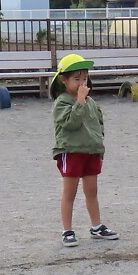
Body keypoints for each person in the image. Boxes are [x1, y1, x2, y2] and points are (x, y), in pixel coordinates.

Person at [51, 53, 117, 246]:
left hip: (91, 151)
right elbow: (71, 123)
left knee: (92, 191)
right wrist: (79, 102)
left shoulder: (92, 102)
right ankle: (67, 231)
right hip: (71, 151)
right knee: (69, 193)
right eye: (76, 79)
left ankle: (97, 226)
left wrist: (99, 148)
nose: (82, 83)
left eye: (85, 78)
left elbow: (99, 125)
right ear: (64, 80)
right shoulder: (62, 102)